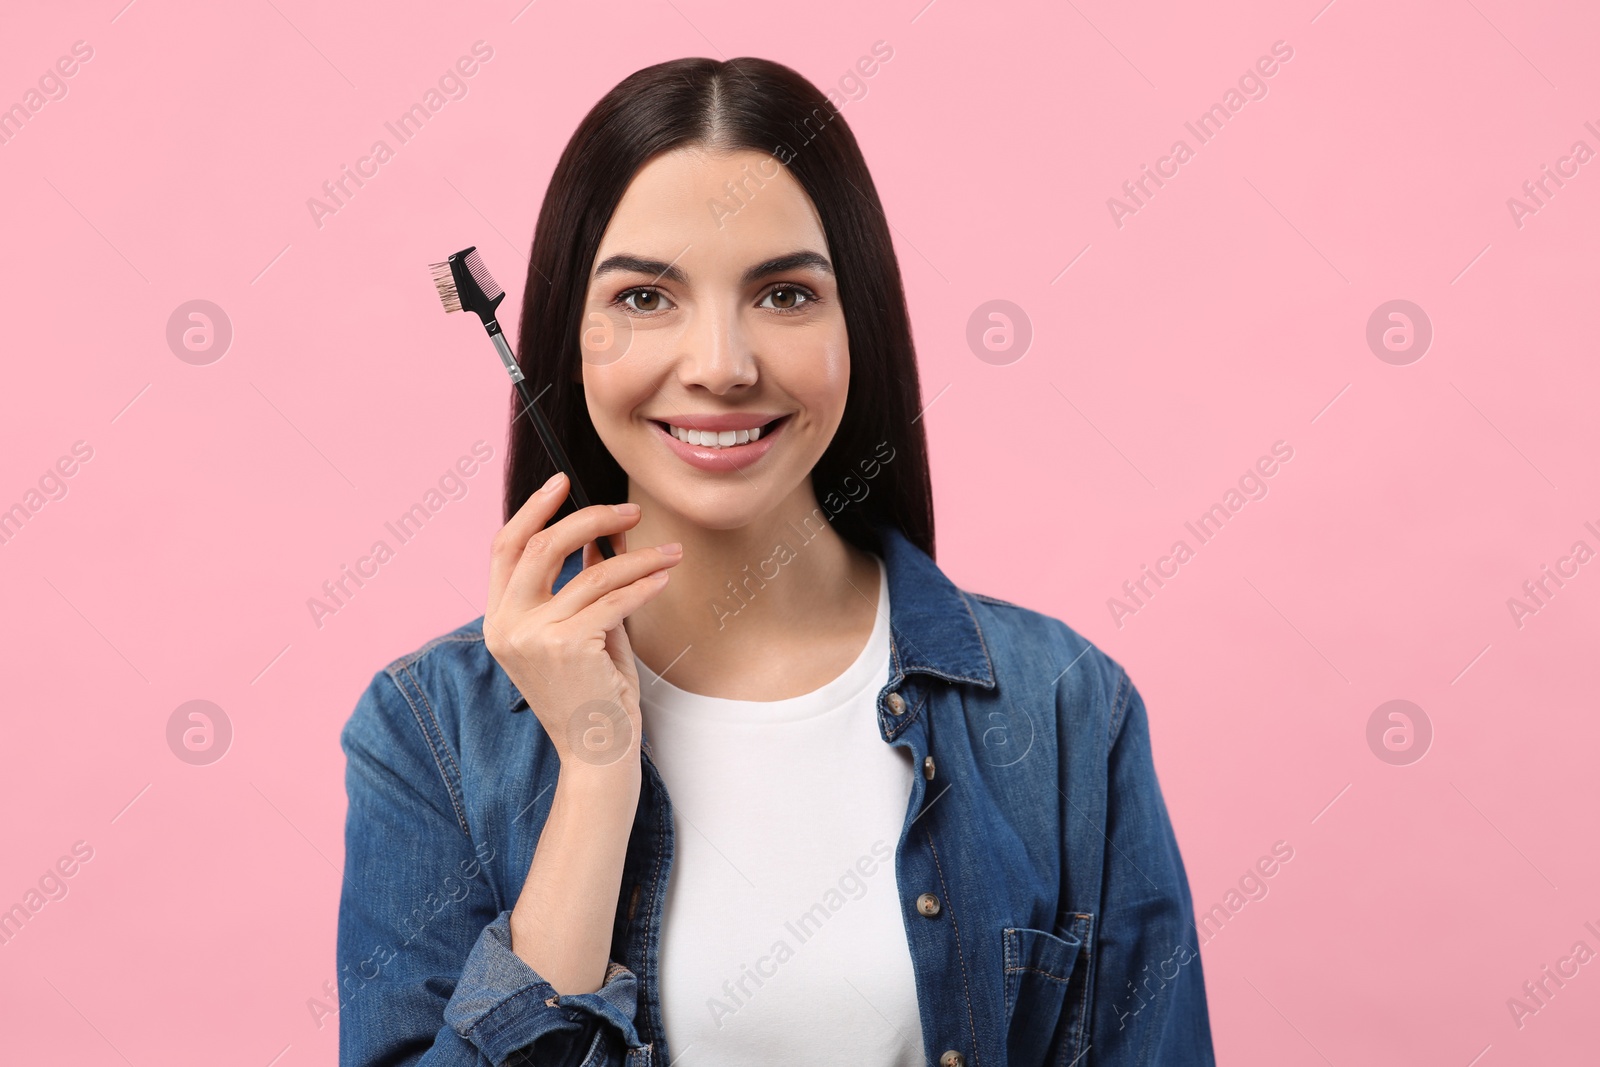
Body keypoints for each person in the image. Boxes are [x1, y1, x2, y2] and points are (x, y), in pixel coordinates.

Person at [336, 55, 1215, 1067]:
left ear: (859, 322)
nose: (720, 363)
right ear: (564, 339)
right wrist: (592, 773)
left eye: (786, 294)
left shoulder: (1064, 709)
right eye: (645, 298)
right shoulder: (425, 733)